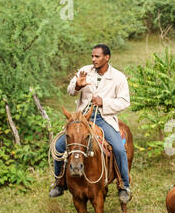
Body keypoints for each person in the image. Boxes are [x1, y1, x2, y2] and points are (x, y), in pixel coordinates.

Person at [49, 44, 132, 203]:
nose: (93, 59)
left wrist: (104, 102)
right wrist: (77, 85)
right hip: (82, 119)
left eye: (97, 56)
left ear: (106, 58)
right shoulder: (85, 71)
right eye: (92, 56)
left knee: (119, 149)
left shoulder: (118, 77)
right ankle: (59, 182)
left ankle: (124, 186)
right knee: (59, 146)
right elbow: (70, 90)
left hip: (103, 117)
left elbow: (124, 102)